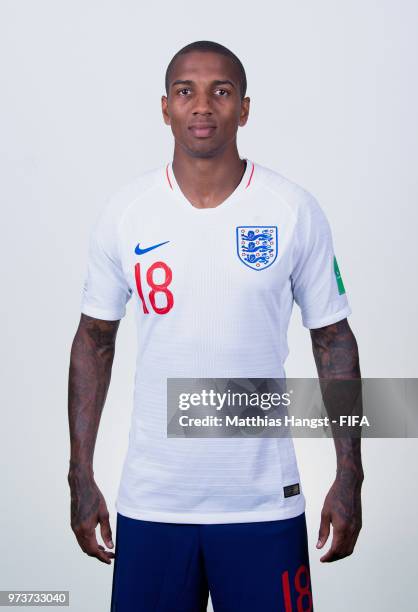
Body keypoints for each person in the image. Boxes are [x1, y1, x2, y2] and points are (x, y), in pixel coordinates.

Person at [68, 40, 364, 612]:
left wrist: (350, 474)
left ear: (244, 109)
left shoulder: (291, 210)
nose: (202, 105)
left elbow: (334, 341)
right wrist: (79, 473)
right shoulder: (128, 212)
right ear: (165, 107)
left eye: (220, 91)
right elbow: (93, 341)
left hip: (263, 505)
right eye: (186, 91)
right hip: (153, 504)